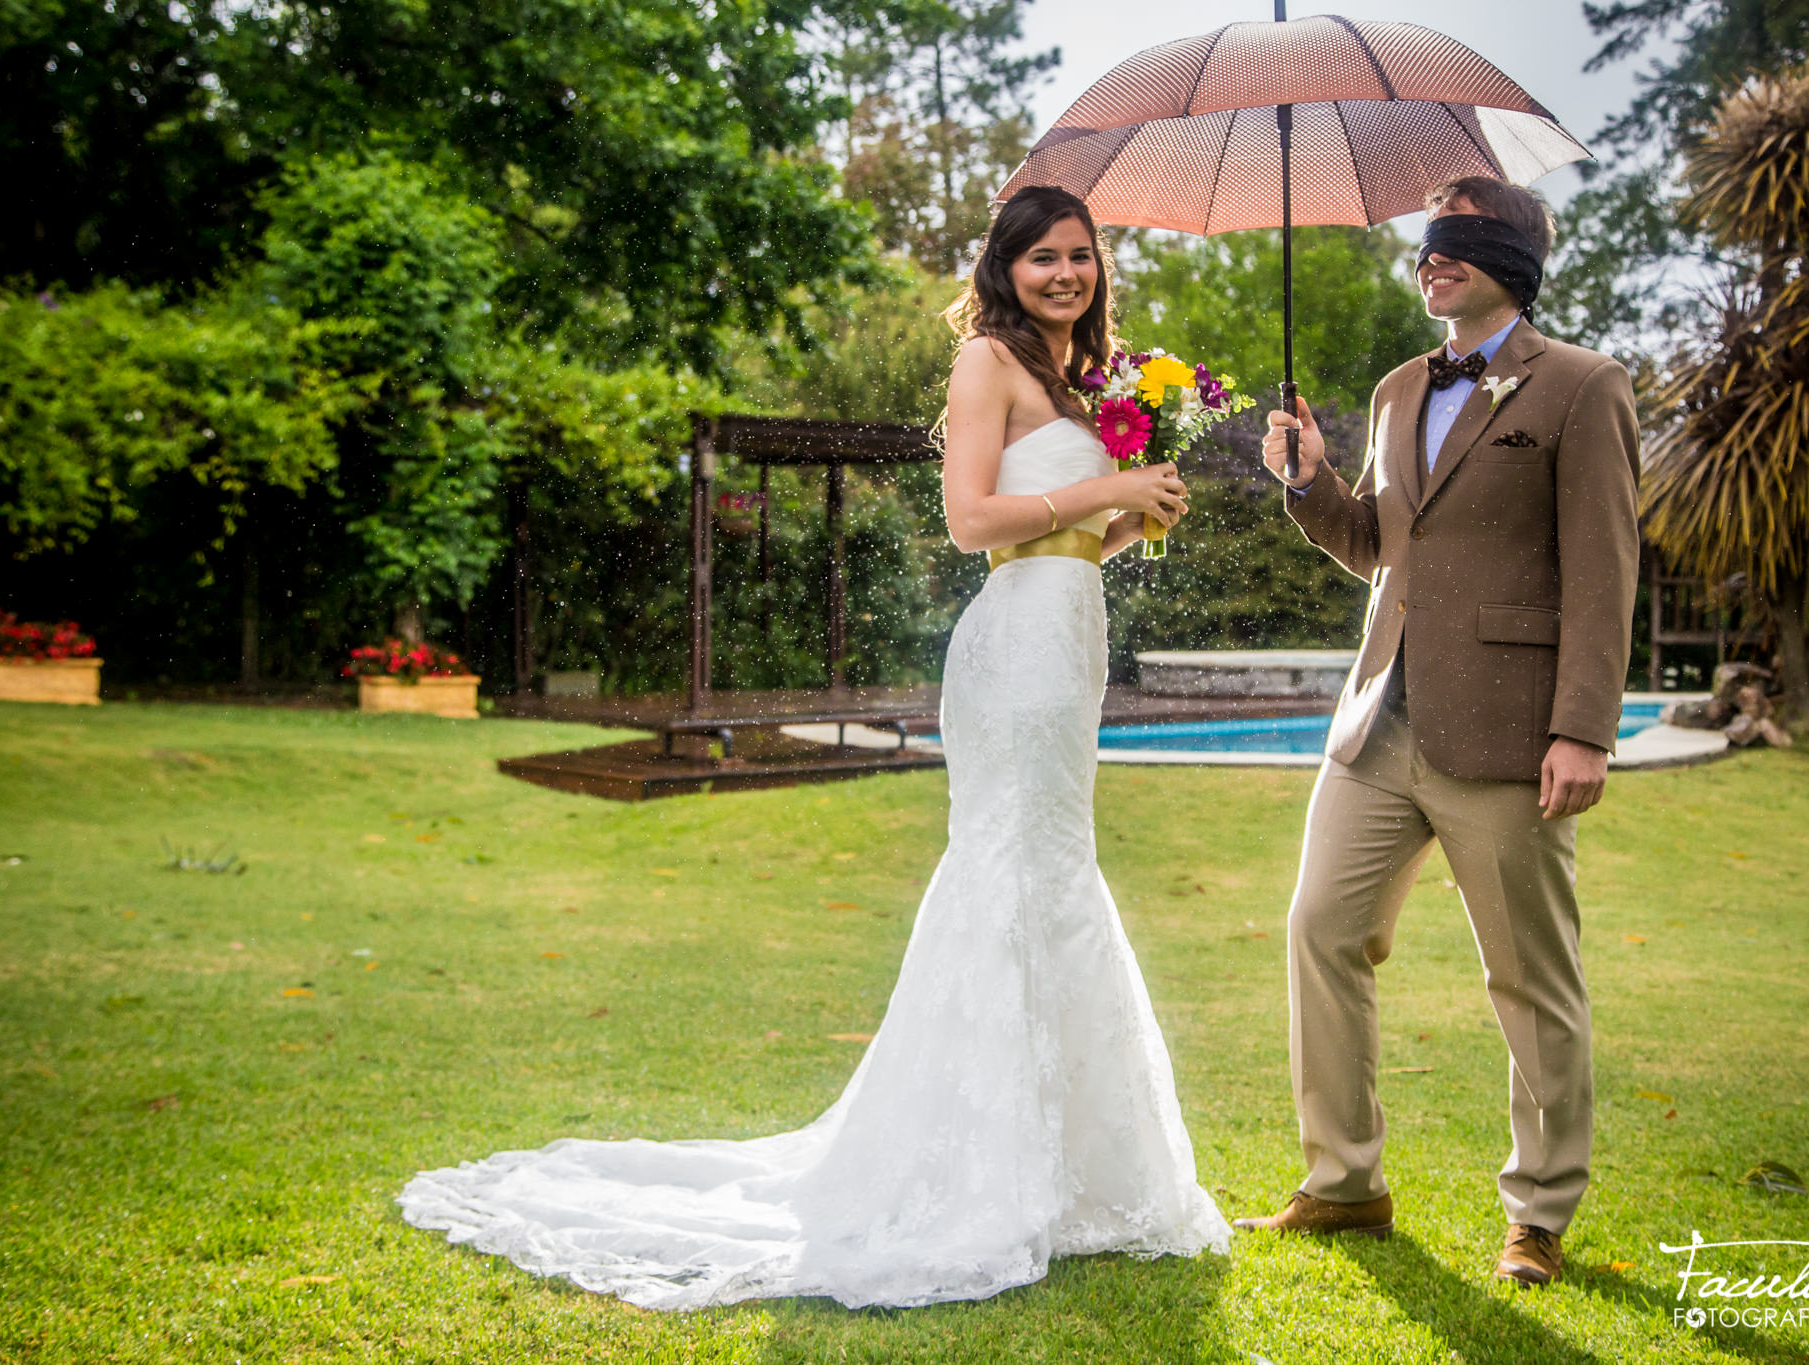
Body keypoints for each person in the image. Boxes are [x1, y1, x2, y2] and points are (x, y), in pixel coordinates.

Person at [395, 184, 1229, 1310]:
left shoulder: (1088, 379)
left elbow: (1075, 538)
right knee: (1010, 869)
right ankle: (973, 1171)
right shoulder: (986, 363)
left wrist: (1135, 519)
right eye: (1040, 259)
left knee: (1054, 870)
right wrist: (1106, 484)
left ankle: (1075, 1173)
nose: (1063, 275)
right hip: (1012, 647)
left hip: (1069, 630)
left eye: (1078, 257)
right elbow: (970, 520)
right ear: (1004, 268)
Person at [1236, 176, 1639, 1289]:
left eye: (1457, 240)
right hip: (1378, 721)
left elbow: (1604, 574)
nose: (1431, 258)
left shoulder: (1581, 388)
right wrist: (1310, 483)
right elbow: (1376, 544)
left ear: (1514, 257)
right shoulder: (1399, 386)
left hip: (1511, 734)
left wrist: (1583, 732)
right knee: (1319, 930)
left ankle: (1539, 1211)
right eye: (1426, 242)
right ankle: (1344, 1183)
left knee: (1528, 977)